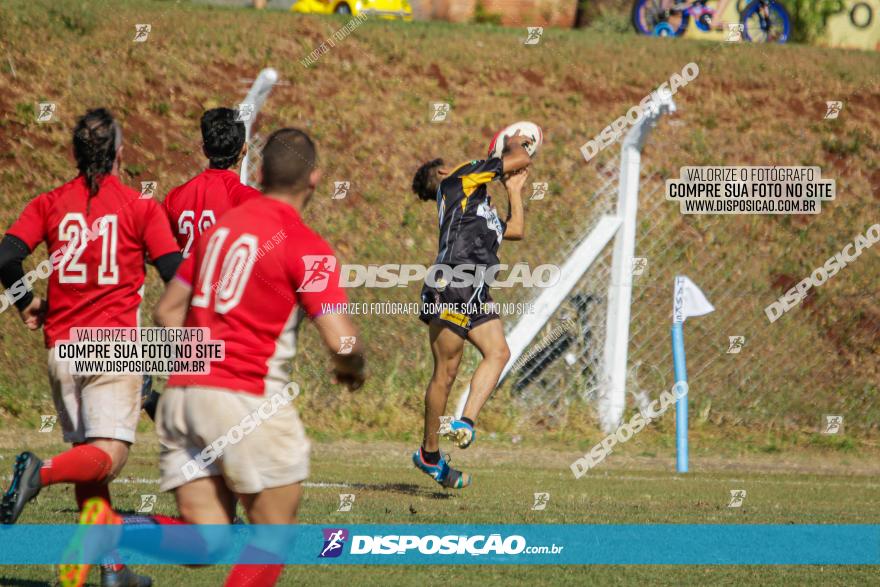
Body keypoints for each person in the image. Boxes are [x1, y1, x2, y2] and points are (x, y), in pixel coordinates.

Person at [80, 127, 362, 587]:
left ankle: (108, 528)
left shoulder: (218, 235)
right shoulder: (304, 243)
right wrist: (355, 366)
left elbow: (168, 309)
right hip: (245, 400)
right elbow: (340, 341)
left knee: (206, 542)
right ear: (313, 178)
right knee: (272, 538)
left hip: (184, 398)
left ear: (263, 172)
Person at [0, 107, 182, 586]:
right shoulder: (140, 207)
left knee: (90, 459)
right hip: (110, 346)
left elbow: (6, 256)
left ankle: (111, 569)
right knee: (111, 455)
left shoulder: (50, 202)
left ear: (74, 154)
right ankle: (40, 472)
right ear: (121, 152)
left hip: (61, 348)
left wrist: (24, 303)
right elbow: (176, 274)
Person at [409, 132, 532, 488]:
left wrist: (514, 191)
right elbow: (520, 157)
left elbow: (518, 229)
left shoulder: (479, 209)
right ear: (445, 172)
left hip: (475, 291)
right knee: (446, 373)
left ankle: (466, 422)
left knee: (499, 352)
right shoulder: (462, 177)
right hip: (452, 284)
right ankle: (429, 454)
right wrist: (515, 140)